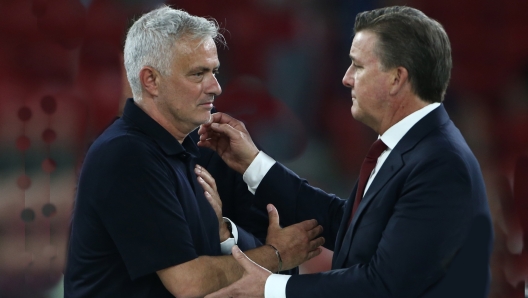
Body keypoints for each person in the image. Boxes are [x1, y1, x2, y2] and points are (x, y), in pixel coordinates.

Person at [199, 6, 493, 298]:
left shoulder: (439, 165)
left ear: (396, 79)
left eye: (359, 66)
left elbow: (383, 285)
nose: (347, 78)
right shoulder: (410, 148)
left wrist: (271, 286)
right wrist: (254, 164)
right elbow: (349, 227)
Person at [64, 6, 325, 297]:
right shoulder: (125, 154)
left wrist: (227, 236)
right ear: (150, 80)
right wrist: (276, 255)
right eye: (198, 74)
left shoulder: (198, 150)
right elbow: (189, 283)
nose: (216, 87)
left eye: (214, 72)